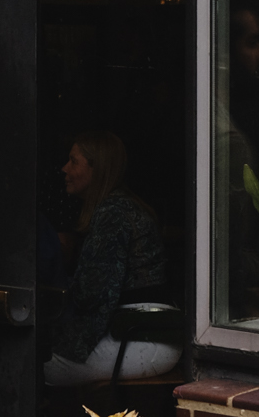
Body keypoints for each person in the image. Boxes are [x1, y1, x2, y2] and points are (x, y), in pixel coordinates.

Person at [44, 131, 180, 387]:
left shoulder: (113, 214)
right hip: (147, 335)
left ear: (98, 168)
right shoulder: (119, 207)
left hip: (141, 338)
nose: (64, 169)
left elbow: (91, 293)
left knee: (36, 364)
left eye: (74, 161)